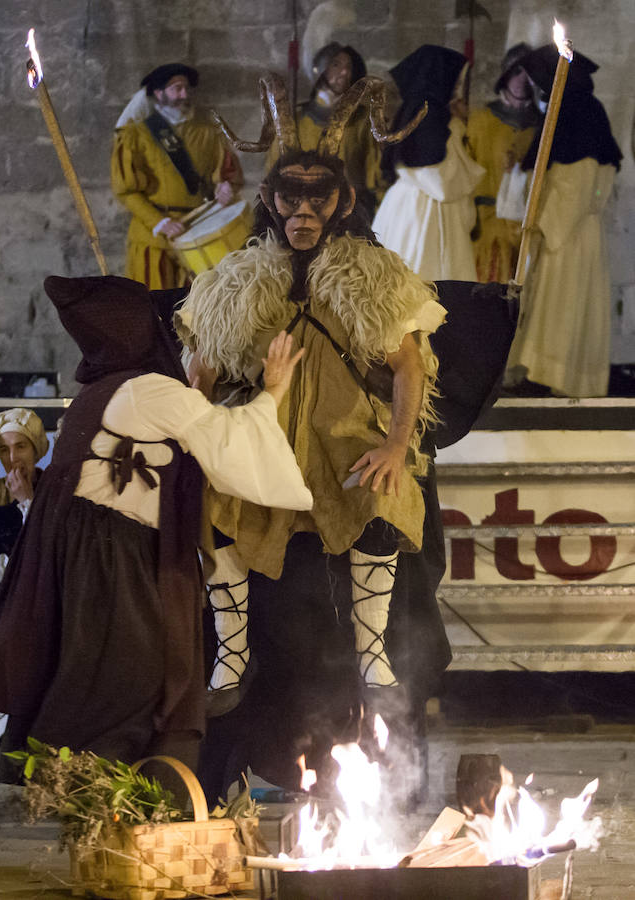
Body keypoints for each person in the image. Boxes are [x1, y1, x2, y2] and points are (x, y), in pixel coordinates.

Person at [177, 75, 449, 797]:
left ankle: (372, 653)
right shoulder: (235, 280)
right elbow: (198, 367)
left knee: (385, 496)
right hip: (261, 439)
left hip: (339, 439)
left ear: (343, 202)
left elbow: (408, 364)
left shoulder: (373, 275)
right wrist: (195, 438)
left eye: (317, 197)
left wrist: (394, 444)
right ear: (269, 202)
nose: (303, 211)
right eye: (289, 197)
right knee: (215, 507)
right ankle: (230, 654)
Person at [0, 275, 312, 782]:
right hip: (114, 553)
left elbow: (183, 426)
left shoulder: (98, 393)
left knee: (107, 668)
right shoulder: (149, 390)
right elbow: (226, 442)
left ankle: (103, 785)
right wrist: (273, 390)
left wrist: (198, 385)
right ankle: (112, 786)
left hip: (82, 552)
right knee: (140, 675)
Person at [506, 44, 622, 398]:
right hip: (567, 231)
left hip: (566, 235)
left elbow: (578, 184)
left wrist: (540, 221)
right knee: (555, 303)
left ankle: (550, 375)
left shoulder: (580, 114)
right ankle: (539, 373)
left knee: (562, 303)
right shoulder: (574, 111)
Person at [110, 63, 244, 289]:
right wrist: (160, 222)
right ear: (158, 93)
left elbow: (227, 173)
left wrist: (226, 187)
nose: (184, 95)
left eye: (186, 88)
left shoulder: (208, 131)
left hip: (199, 230)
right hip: (153, 239)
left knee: (201, 308)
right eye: (176, 88)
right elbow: (127, 190)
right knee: (155, 308)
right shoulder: (136, 135)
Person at [0, 407, 49, 746]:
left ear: (36, 448)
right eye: (4, 449)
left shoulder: (51, 486)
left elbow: (48, 548)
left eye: (21, 447)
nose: (13, 457)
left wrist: (27, 501)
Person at [372, 45, 485, 281]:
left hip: (410, 206)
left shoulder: (418, 110)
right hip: (426, 213)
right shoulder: (429, 115)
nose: (457, 88)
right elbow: (441, 182)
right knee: (426, 281)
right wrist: (457, 126)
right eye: (455, 80)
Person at [266, 42, 383, 218]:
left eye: (349, 67)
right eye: (335, 65)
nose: (344, 72)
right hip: (301, 213)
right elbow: (274, 171)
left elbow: (375, 175)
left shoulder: (362, 120)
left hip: (350, 213)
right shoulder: (295, 120)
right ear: (320, 70)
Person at [466, 43, 542, 282]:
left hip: (524, 230)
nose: (522, 79)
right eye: (516, 72)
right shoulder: (480, 120)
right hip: (486, 227)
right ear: (506, 76)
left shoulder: (542, 127)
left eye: (528, 73)